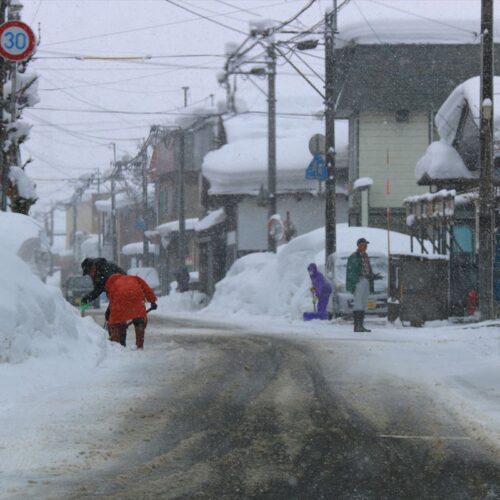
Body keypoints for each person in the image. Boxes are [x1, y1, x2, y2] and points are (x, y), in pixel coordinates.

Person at [104, 273, 157, 349]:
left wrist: (111, 316)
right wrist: (152, 301)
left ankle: (116, 344)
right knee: (139, 320)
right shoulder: (134, 278)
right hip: (136, 296)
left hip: (119, 299)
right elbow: (146, 288)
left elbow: (112, 301)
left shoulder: (111, 284)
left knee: (115, 322)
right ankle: (139, 344)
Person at [81, 257, 127, 343]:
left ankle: (119, 340)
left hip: (123, 290)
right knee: (110, 315)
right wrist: (87, 299)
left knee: (115, 315)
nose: (90, 275)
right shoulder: (96, 274)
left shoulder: (106, 270)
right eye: (88, 274)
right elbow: (98, 289)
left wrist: (87, 298)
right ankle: (115, 338)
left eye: (90, 272)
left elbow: (102, 287)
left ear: (93, 267)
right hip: (115, 294)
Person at [346, 238, 381, 332]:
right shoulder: (354, 256)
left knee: (364, 302)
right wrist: (357, 279)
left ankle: (361, 325)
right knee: (358, 303)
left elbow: (367, 269)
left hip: (366, 281)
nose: (365, 246)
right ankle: (357, 325)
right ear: (359, 245)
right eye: (363, 244)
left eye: (366, 245)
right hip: (359, 281)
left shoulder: (365, 256)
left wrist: (372, 275)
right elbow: (353, 271)